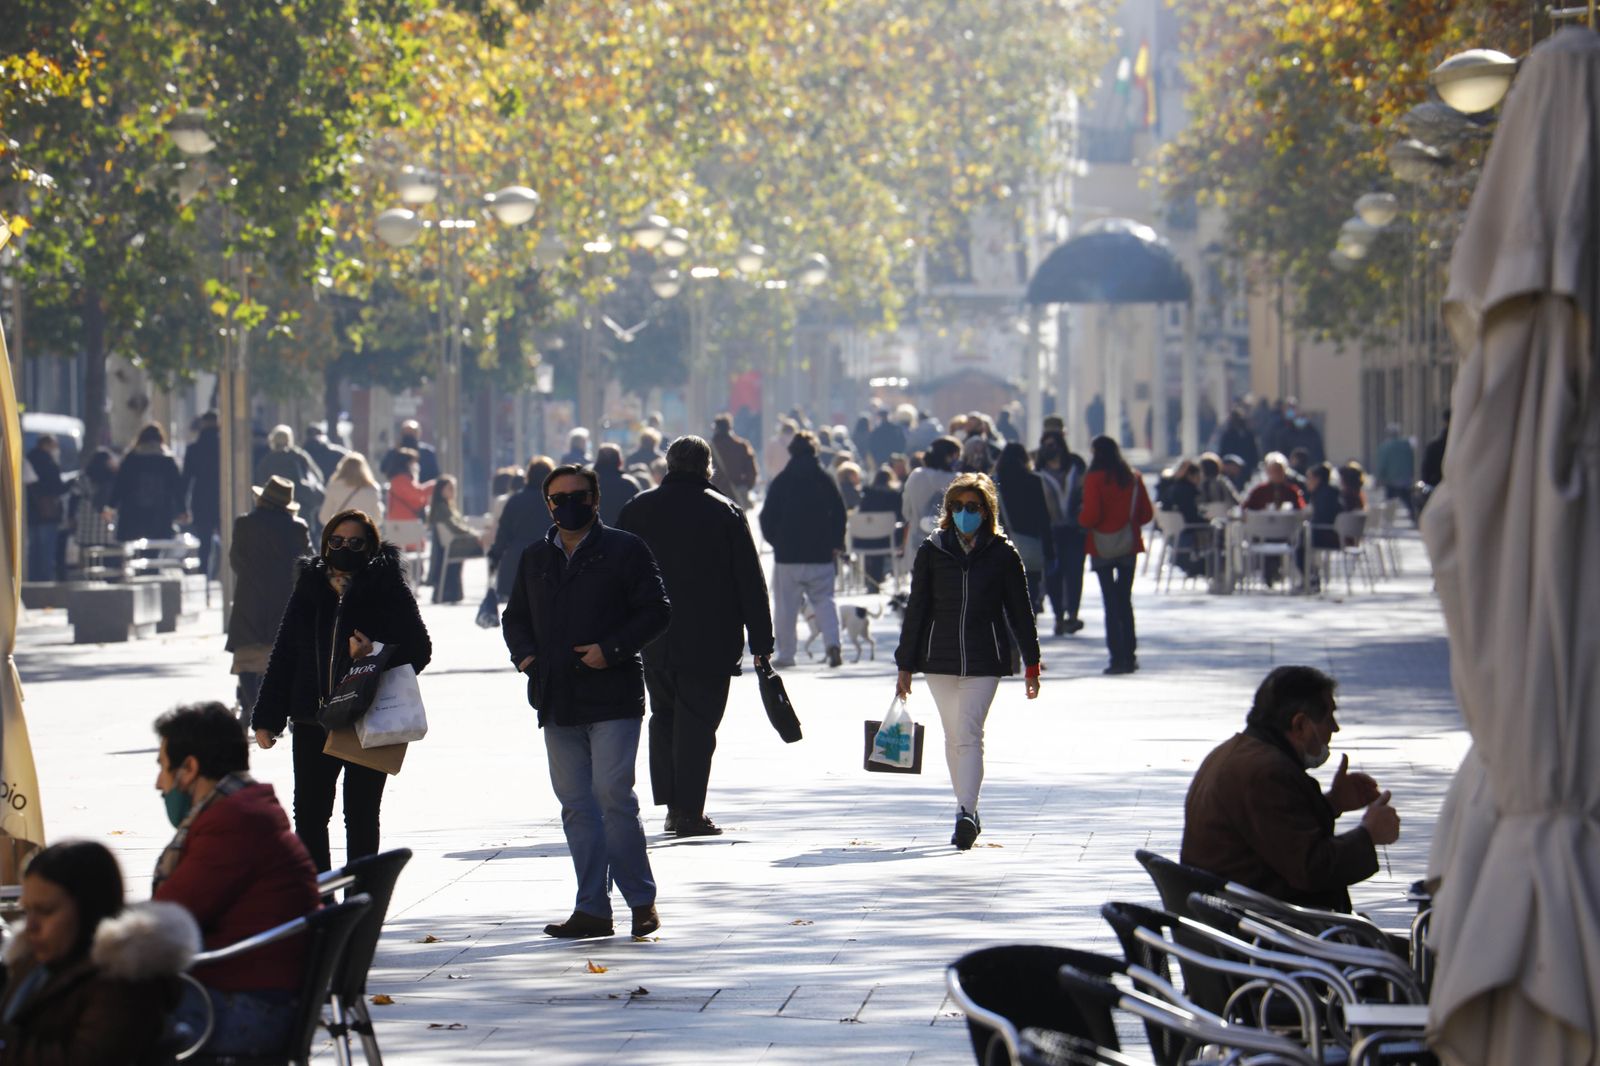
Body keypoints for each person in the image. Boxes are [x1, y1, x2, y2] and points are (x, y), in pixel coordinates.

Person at [501, 465, 671, 939]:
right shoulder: (536, 556)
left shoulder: (624, 549)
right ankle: (592, 908)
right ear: (548, 505)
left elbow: (657, 610)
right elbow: (514, 617)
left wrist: (611, 650)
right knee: (576, 805)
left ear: (596, 499)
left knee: (613, 796)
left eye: (578, 495)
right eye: (558, 498)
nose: (567, 504)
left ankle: (641, 900)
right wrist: (527, 658)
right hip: (556, 698)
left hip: (612, 695)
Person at [251, 508, 432, 872]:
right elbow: (284, 653)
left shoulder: (387, 587)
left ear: (369, 546)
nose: (343, 548)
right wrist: (267, 718)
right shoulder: (310, 586)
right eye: (336, 541)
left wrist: (373, 652)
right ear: (325, 542)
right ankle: (320, 900)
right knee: (310, 816)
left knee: (361, 815)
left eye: (354, 543)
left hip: (366, 718)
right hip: (311, 718)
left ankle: (361, 899)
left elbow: (419, 648)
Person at [617, 437, 774, 837]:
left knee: (664, 716)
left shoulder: (638, 509)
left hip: (653, 635)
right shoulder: (725, 512)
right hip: (711, 636)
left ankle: (673, 804)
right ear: (708, 469)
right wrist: (762, 641)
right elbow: (749, 581)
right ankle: (688, 810)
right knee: (699, 723)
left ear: (667, 466)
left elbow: (616, 573)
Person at [152, 703, 319, 1055]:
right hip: (255, 994)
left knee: (89, 1016)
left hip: (248, 1010)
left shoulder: (233, 823)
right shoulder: (248, 808)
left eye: (163, 768)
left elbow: (165, 922)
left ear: (190, 768)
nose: (159, 784)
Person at [894, 473, 1042, 850]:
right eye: (956, 507)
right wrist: (905, 665)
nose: (963, 513)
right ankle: (968, 811)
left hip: (985, 658)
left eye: (971, 507)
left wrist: (1032, 662)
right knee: (953, 735)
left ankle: (965, 811)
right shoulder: (932, 550)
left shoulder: (1003, 553)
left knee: (969, 732)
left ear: (986, 510)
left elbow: (1020, 611)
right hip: (938, 658)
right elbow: (917, 609)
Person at [1181, 666, 1400, 911]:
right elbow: (1312, 870)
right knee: (1417, 949)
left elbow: (1278, 834)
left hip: (1251, 920)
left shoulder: (1236, 753)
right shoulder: (1266, 773)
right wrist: (1368, 835)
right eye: (1329, 718)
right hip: (1265, 933)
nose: (1335, 728)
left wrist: (1333, 803)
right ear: (1301, 725)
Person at [0, 840, 198, 1064]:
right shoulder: (35, 961)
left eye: (45, 911)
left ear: (88, 908)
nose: (30, 926)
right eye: (27, 910)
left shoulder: (123, 984)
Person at [759, 431, 847, 669]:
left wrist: (776, 542)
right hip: (821, 553)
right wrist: (836, 543)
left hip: (788, 555)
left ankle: (786, 654)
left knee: (786, 607)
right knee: (825, 601)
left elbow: (766, 517)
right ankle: (833, 643)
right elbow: (839, 513)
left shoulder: (781, 481)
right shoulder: (825, 479)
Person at [227, 477, 311, 717]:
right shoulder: (298, 527)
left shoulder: (244, 524)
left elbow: (236, 561)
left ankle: (253, 706)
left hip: (249, 599)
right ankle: (274, 709)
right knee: (281, 655)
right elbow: (307, 564)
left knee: (246, 657)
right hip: (284, 600)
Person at [1078, 435, 1154, 675]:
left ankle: (1116, 657)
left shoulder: (1093, 478)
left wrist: (1080, 519)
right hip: (1128, 544)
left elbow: (1091, 515)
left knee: (1110, 603)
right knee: (1124, 600)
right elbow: (1146, 514)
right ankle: (1130, 655)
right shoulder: (1132, 477)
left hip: (1101, 546)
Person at [1036, 430, 1087, 636]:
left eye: (1054, 444)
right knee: (1053, 576)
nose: (1051, 449)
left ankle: (1072, 615)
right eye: (1046, 445)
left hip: (1075, 530)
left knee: (1074, 573)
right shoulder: (1038, 473)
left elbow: (1085, 494)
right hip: (1051, 532)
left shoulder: (1076, 468)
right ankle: (1058, 616)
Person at [994, 442, 1054, 614]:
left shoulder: (994, 483)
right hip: (1031, 544)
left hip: (1002, 545)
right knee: (1030, 591)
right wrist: (1049, 551)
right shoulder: (1034, 481)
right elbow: (1044, 518)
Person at [490, 456, 556, 603]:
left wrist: (495, 555)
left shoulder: (515, 500)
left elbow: (503, 533)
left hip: (517, 560)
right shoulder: (555, 501)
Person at [109, 422, 186, 543]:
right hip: (160, 514)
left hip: (133, 513)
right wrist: (183, 510)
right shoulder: (167, 460)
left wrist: (111, 506)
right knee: (156, 549)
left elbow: (120, 485)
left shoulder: (131, 458)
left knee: (134, 551)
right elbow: (177, 488)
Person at [254, 426, 326, 530]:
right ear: (290, 439)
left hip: (275, 509)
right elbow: (318, 476)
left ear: (273, 440)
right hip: (301, 506)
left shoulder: (267, 461)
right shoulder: (299, 455)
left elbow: (261, 484)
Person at [426, 475, 482, 604]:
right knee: (489, 543)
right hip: (455, 545)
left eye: (454, 488)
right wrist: (475, 535)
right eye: (449, 488)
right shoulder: (442, 508)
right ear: (441, 490)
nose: (453, 491)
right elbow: (456, 527)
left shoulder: (447, 507)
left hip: (456, 543)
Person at [181, 412, 222, 577]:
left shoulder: (193, 449)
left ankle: (205, 574)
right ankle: (223, 574)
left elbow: (186, 479)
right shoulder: (224, 446)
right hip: (223, 498)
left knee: (204, 543)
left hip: (200, 500)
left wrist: (182, 506)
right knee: (228, 539)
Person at [23, 434, 68, 582]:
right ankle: (44, 581)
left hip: (30, 513)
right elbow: (57, 487)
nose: (56, 449)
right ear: (47, 445)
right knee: (46, 551)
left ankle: (32, 580)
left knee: (33, 551)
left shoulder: (28, 459)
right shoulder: (49, 463)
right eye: (55, 446)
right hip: (48, 513)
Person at [901, 437, 961, 540]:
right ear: (949, 457)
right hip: (947, 543)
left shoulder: (915, 475)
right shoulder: (957, 480)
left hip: (916, 542)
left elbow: (906, 512)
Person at [857, 467, 902, 593]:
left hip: (866, 538)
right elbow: (900, 516)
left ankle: (871, 580)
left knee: (872, 547)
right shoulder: (895, 496)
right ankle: (878, 578)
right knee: (880, 541)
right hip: (888, 538)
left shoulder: (867, 495)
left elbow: (861, 514)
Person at [70, 448, 118, 561]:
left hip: (87, 524)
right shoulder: (113, 479)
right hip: (108, 524)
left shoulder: (83, 478)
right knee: (108, 558)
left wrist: (71, 517)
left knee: (89, 558)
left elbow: (74, 499)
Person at [324, 452, 384, 531]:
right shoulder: (372, 489)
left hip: (341, 531)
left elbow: (324, 516)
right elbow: (377, 517)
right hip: (362, 532)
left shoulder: (334, 487)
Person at [710, 414, 759, 507]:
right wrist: (745, 486)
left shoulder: (709, 448)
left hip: (715, 495)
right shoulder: (741, 446)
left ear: (715, 429)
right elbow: (752, 472)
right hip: (737, 497)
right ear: (730, 428)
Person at [1373, 425, 1417, 522]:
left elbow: (1382, 464)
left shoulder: (1384, 447)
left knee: (1390, 501)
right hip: (1406, 479)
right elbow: (1412, 460)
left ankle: (1388, 520)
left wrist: (1378, 479)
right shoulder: (1406, 445)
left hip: (1391, 480)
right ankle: (1415, 518)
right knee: (1408, 501)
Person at [383, 447, 434, 525]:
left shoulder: (402, 479)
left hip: (404, 522)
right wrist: (433, 485)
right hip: (403, 523)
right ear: (406, 463)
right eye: (413, 462)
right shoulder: (401, 480)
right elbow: (417, 495)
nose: (416, 465)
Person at [594, 444, 641, 526]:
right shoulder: (629, 484)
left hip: (593, 534)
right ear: (620, 462)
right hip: (623, 534)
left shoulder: (587, 483)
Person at [1217, 408, 1260, 474]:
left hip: (1246, 466)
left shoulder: (1248, 434)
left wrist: (1254, 463)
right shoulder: (1228, 435)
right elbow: (1223, 450)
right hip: (1231, 467)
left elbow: (1253, 450)